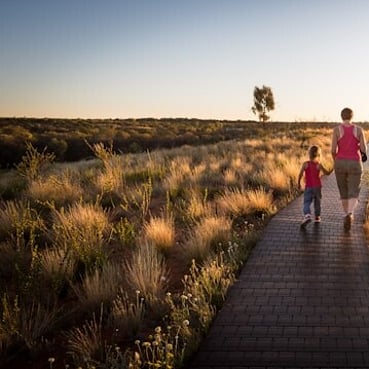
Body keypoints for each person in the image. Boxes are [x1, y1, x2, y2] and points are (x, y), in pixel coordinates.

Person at [331, 107, 367, 231]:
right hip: (355, 163)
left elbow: (332, 150)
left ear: (341, 116)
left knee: (343, 191)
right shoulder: (359, 130)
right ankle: (350, 214)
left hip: (340, 162)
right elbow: (363, 149)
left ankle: (346, 214)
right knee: (354, 191)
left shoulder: (336, 130)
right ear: (352, 116)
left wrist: (336, 160)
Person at [298, 145, 331, 228]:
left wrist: (298, 183)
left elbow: (300, 174)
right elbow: (327, 173)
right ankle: (317, 217)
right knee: (317, 202)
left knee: (307, 202)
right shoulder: (318, 165)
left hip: (308, 187)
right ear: (318, 155)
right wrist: (332, 168)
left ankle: (307, 215)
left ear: (309, 154)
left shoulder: (305, 164)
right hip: (317, 187)